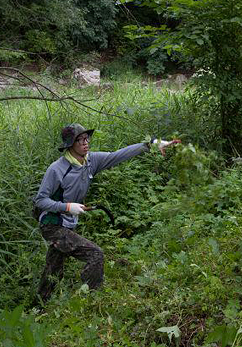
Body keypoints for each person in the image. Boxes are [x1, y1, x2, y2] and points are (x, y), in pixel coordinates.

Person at [34, 123, 179, 302]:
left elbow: (117, 156)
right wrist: (67, 207)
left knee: (53, 269)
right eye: (79, 140)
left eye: (86, 138)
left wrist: (152, 144)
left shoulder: (90, 161)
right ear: (70, 145)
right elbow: (41, 200)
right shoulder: (57, 169)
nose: (85, 143)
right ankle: (92, 301)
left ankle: (39, 305)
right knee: (95, 254)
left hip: (67, 224)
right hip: (52, 225)